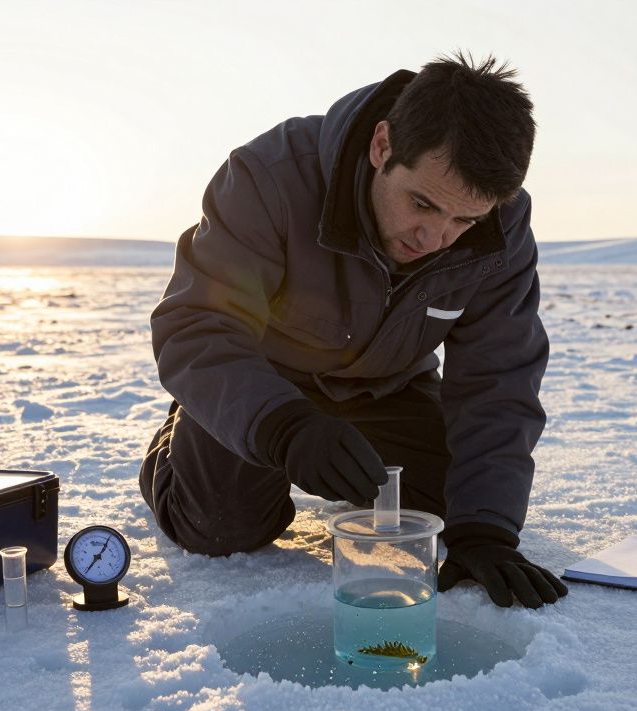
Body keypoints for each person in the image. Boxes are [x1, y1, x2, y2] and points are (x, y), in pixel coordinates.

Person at [139, 52, 568, 609]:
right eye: (421, 203)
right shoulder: (268, 178)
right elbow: (197, 326)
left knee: (456, 504)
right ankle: (179, 442)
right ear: (382, 145)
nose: (435, 237)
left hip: (387, 386)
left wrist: (486, 532)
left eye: (464, 221)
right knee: (221, 527)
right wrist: (284, 427)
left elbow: (499, 379)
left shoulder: (501, 228)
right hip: (264, 384)